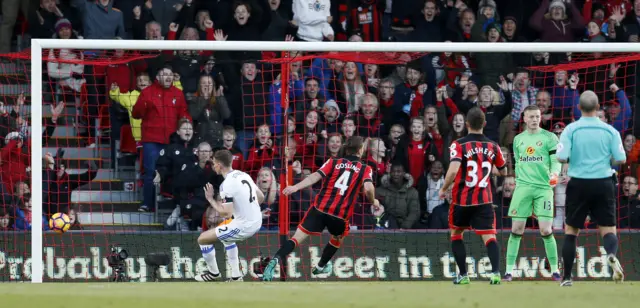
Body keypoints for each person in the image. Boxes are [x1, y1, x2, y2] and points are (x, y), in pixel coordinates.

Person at [261, 136, 379, 281]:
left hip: (319, 209)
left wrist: (295, 187)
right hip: (339, 215)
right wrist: (374, 201)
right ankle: (321, 266)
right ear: (361, 150)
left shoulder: (333, 162)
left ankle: (275, 259)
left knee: (296, 239)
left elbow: (314, 177)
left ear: (346, 148)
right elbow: (368, 188)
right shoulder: (365, 168)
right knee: (338, 237)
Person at [556, 90, 626, 286]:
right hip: (603, 182)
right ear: (597, 108)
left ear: (578, 108)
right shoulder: (610, 130)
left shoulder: (571, 130)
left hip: (578, 182)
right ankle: (611, 254)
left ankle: (567, 278)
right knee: (608, 229)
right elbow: (621, 158)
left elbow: (561, 157)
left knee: (571, 231)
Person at [438, 107, 507, 285]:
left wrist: (444, 188)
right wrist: (487, 168)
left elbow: (453, 170)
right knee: (489, 236)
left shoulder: (458, 144)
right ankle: (495, 273)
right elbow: (503, 171)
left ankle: (463, 275)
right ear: (484, 123)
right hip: (484, 200)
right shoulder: (493, 146)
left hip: (462, 200)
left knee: (456, 234)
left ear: (467, 124)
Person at [504, 105, 562, 282]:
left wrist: (555, 174)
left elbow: (556, 160)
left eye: (537, 116)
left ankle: (555, 270)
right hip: (522, 188)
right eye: (531, 117)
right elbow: (518, 162)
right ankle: (508, 272)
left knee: (545, 230)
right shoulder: (518, 140)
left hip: (544, 189)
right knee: (516, 229)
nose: (535, 119)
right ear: (524, 118)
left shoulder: (550, 137)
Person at [195, 150, 264, 282]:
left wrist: (210, 199)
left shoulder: (226, 184)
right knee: (227, 237)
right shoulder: (243, 175)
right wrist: (246, 209)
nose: (213, 166)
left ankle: (213, 274)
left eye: (214, 163)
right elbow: (260, 197)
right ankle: (236, 276)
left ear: (220, 164)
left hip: (245, 225)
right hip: (256, 220)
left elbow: (226, 213)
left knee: (203, 239)